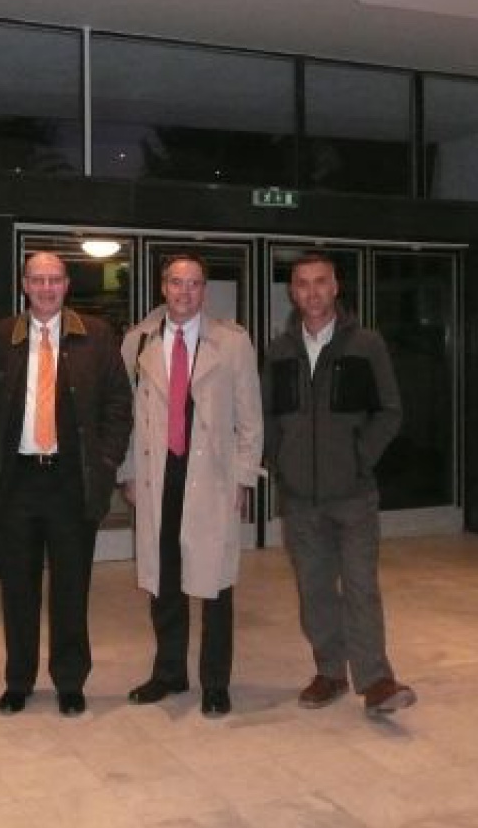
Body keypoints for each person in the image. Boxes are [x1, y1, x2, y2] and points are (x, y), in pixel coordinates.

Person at [0, 252, 132, 717]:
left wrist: (106, 461)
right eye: (37, 279)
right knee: (17, 590)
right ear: (24, 285)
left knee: (71, 588)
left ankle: (70, 681)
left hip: (71, 483)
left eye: (54, 280)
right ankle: (18, 681)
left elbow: (118, 405)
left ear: (67, 285)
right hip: (17, 483)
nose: (46, 288)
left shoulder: (97, 335)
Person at [262, 252, 415, 717]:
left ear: (335, 287)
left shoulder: (365, 344)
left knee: (361, 585)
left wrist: (358, 457)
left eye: (320, 282)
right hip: (300, 499)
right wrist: (281, 462)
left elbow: (390, 411)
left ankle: (376, 681)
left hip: (353, 495)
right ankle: (329, 672)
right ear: (292, 292)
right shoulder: (279, 350)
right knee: (314, 589)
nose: (312, 292)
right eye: (302, 283)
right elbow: (268, 416)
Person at [118, 254, 263, 717]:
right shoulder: (139, 340)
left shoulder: (233, 343)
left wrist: (243, 477)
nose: (185, 292)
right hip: (157, 474)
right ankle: (169, 673)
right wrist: (128, 473)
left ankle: (215, 682)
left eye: (195, 284)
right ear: (163, 287)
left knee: (215, 583)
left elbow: (250, 418)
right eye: (177, 283)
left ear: (205, 290)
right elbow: (126, 415)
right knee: (164, 581)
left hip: (212, 477)